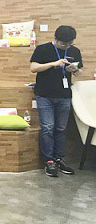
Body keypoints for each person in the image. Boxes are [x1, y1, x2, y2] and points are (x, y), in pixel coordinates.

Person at [30, 25, 82, 178]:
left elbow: (79, 73)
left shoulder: (75, 51)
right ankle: (49, 161)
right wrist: (53, 64)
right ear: (56, 39)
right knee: (47, 128)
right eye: (64, 44)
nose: (67, 46)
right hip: (44, 95)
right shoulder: (43, 49)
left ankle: (59, 159)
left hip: (64, 95)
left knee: (61, 128)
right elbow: (33, 68)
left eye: (70, 43)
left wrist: (74, 69)